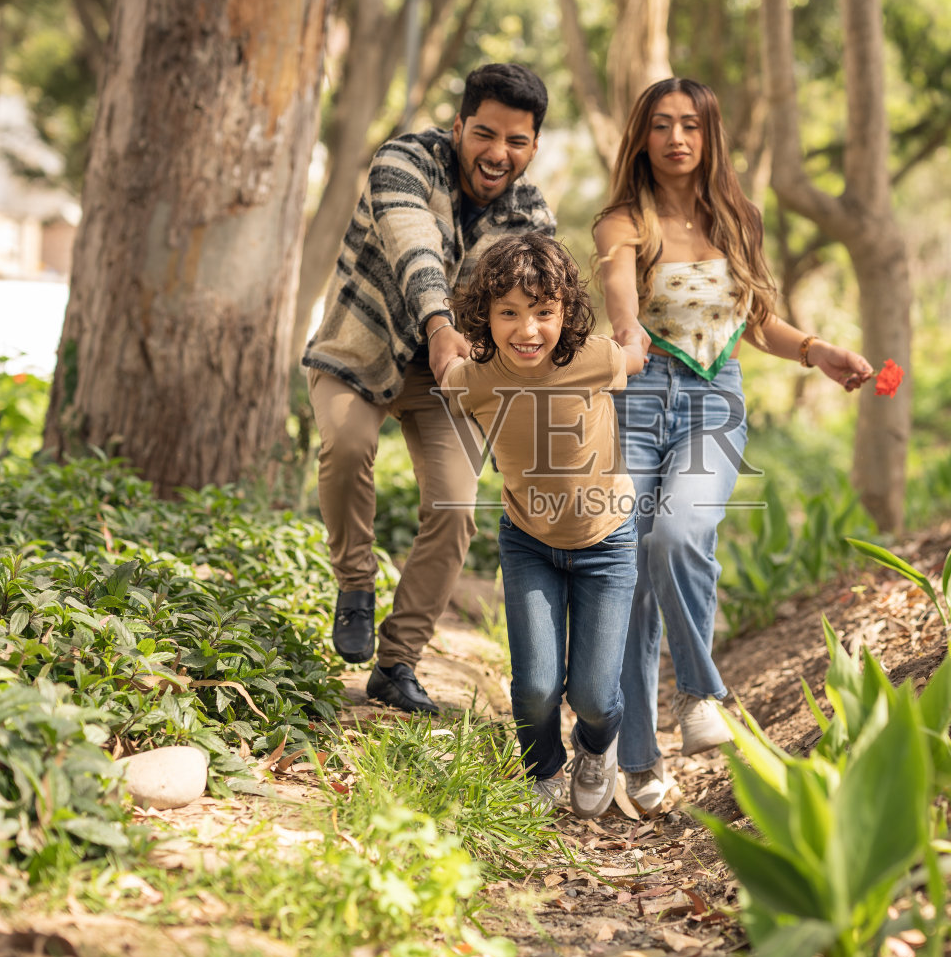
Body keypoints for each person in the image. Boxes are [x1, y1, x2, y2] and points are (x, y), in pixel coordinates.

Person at [593, 77, 874, 814]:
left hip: (714, 403)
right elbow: (619, 285)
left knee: (676, 535)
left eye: (691, 124)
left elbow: (759, 322)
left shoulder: (738, 218)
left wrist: (817, 350)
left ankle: (697, 694)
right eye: (661, 125)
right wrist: (626, 333)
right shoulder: (624, 220)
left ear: (710, 136)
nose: (677, 138)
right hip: (639, 399)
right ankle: (640, 759)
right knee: (628, 565)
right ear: (643, 137)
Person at [302, 64, 555, 715]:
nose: (499, 153)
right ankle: (354, 585)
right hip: (361, 349)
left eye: (517, 141)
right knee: (349, 442)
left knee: (455, 508)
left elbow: (535, 313)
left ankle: (398, 662)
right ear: (458, 127)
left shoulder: (531, 215)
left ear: (532, 147)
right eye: (485, 133)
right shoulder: (404, 162)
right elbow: (414, 246)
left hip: (448, 382)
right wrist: (441, 324)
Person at [439, 233, 644, 817]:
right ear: (486, 317)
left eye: (544, 313)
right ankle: (544, 767)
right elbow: (449, 369)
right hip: (528, 542)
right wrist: (441, 336)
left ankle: (595, 748)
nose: (527, 330)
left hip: (607, 544)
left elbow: (632, 355)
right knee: (534, 688)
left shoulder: (592, 358)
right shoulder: (475, 378)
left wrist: (635, 337)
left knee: (596, 697)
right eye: (509, 313)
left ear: (565, 313)